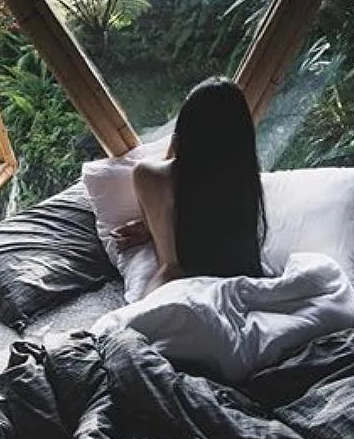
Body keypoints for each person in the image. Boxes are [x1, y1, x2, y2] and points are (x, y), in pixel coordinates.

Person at [112, 77, 267, 296]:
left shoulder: (148, 176)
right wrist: (148, 228)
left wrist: (150, 227)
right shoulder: (244, 181)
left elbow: (171, 262)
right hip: (243, 282)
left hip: (175, 285)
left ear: (185, 128)